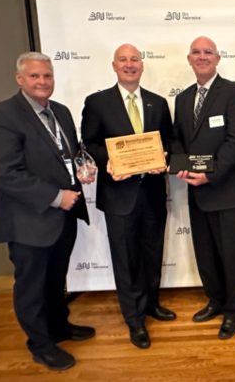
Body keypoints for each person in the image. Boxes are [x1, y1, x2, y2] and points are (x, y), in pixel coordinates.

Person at [0, 52, 94, 371]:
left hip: (63, 216)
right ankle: (41, 345)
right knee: (31, 286)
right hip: (29, 219)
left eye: (47, 76)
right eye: (34, 76)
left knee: (55, 279)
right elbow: (5, 172)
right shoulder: (0, 115)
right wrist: (58, 196)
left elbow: (68, 155)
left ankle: (59, 327)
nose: (42, 81)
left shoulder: (60, 111)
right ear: (19, 79)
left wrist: (83, 170)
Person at [81, 44, 175, 350]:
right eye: (123, 59)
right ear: (114, 65)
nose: (129, 64)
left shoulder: (157, 103)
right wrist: (108, 163)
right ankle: (134, 320)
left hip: (152, 192)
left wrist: (165, 154)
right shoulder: (97, 102)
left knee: (152, 253)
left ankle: (151, 304)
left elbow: (169, 142)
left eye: (135, 59)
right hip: (119, 194)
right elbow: (89, 144)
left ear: (142, 66)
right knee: (126, 258)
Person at [170, 36, 235, 340]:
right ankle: (215, 301)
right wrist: (181, 164)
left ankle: (233, 310)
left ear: (217, 59)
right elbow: (177, 137)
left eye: (208, 52)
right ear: (189, 59)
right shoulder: (182, 98)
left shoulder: (233, 91)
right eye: (196, 52)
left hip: (226, 190)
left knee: (231, 255)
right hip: (195, 191)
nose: (202, 57)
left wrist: (211, 174)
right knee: (205, 253)